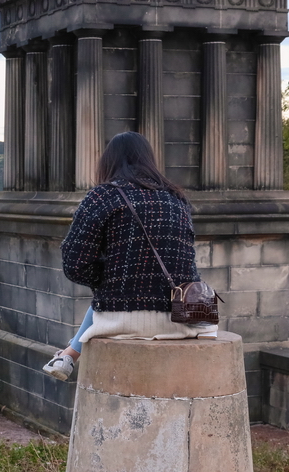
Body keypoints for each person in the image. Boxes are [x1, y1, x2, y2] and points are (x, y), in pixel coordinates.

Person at [42, 132, 217, 381]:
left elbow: (75, 264)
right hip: (184, 320)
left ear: (108, 161)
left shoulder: (102, 196)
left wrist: (115, 276)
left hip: (122, 318)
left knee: (102, 298)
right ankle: (68, 354)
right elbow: (184, 260)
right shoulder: (177, 199)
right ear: (149, 160)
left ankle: (68, 355)